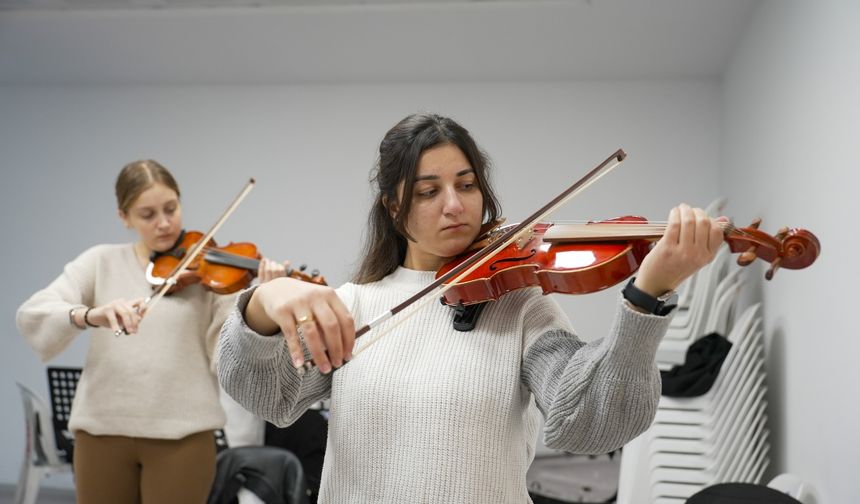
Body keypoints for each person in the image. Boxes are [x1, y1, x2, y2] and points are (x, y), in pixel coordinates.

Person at [217, 113, 727, 503]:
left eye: (466, 185)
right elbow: (271, 396)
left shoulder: (520, 306)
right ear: (394, 208)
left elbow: (589, 423)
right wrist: (262, 303)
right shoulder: (354, 306)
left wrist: (646, 296)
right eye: (428, 191)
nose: (456, 205)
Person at [16, 159, 287, 504]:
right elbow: (34, 314)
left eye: (171, 209)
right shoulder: (100, 262)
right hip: (101, 433)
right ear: (124, 217)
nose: (164, 223)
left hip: (184, 436)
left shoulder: (211, 272)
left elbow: (229, 354)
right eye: (147, 215)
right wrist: (90, 315)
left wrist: (261, 305)